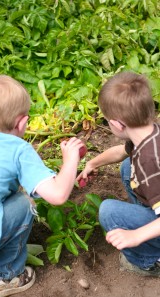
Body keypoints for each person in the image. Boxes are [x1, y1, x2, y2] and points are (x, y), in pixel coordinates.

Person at [0, 75, 85, 297]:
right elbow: (57, 195)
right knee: (24, 202)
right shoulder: (19, 150)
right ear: (22, 123)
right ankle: (5, 276)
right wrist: (70, 161)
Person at [77, 71, 160, 276]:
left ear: (116, 124)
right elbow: (122, 152)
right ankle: (148, 218)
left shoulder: (150, 164)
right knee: (126, 167)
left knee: (109, 211)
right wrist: (93, 164)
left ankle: (149, 260)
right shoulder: (149, 132)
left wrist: (136, 236)